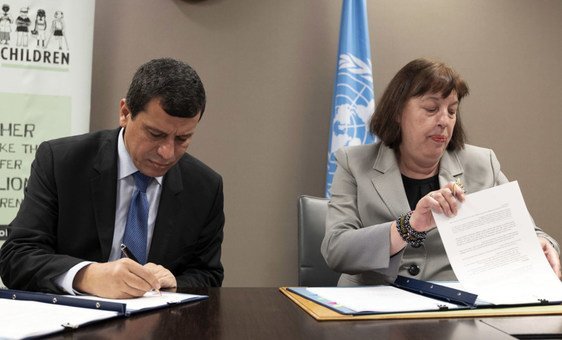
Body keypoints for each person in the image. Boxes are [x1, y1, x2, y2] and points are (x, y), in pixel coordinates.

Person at [321, 58, 560, 286]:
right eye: (431, 108)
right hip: (371, 308)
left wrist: (543, 244)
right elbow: (336, 249)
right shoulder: (354, 163)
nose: (444, 121)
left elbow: (530, 232)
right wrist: (408, 226)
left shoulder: (482, 164)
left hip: (454, 309)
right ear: (397, 112)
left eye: (452, 111)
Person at [0, 58, 225, 298]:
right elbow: (17, 257)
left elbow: (208, 275)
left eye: (182, 139)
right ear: (125, 113)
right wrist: (87, 275)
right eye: (155, 134)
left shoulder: (205, 187)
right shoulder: (62, 162)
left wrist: (176, 283)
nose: (167, 153)